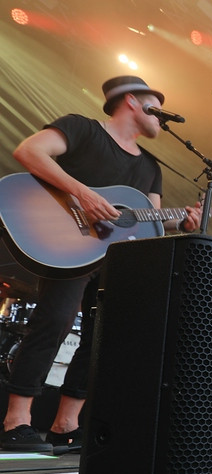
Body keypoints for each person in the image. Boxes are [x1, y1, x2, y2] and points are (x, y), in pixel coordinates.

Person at [1, 76, 201, 452]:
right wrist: (84, 194)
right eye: (155, 106)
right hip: (68, 245)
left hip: (114, 257)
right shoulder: (82, 129)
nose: (160, 117)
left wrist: (182, 223)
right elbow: (29, 151)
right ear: (131, 102)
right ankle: (16, 421)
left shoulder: (151, 167)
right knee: (55, 321)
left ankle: (66, 424)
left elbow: (151, 222)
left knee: (102, 338)